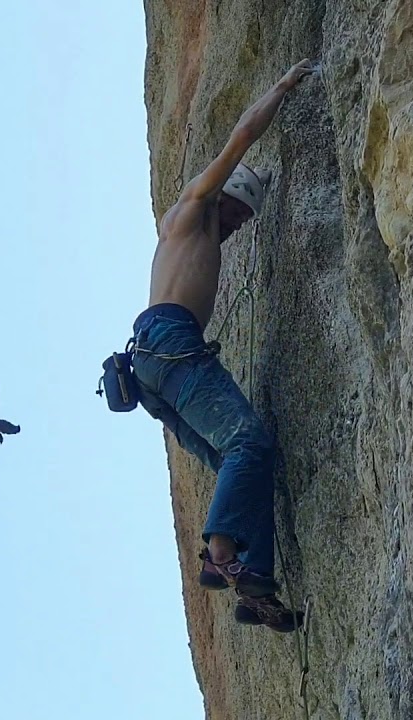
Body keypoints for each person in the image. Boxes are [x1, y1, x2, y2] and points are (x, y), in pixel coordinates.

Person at [129, 59, 315, 633]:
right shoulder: (193, 207)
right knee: (247, 444)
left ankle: (254, 582)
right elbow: (240, 137)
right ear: (226, 196)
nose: (237, 225)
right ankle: (219, 557)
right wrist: (281, 87)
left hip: (153, 366)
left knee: (246, 468)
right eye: (239, 213)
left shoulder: (201, 231)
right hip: (170, 343)